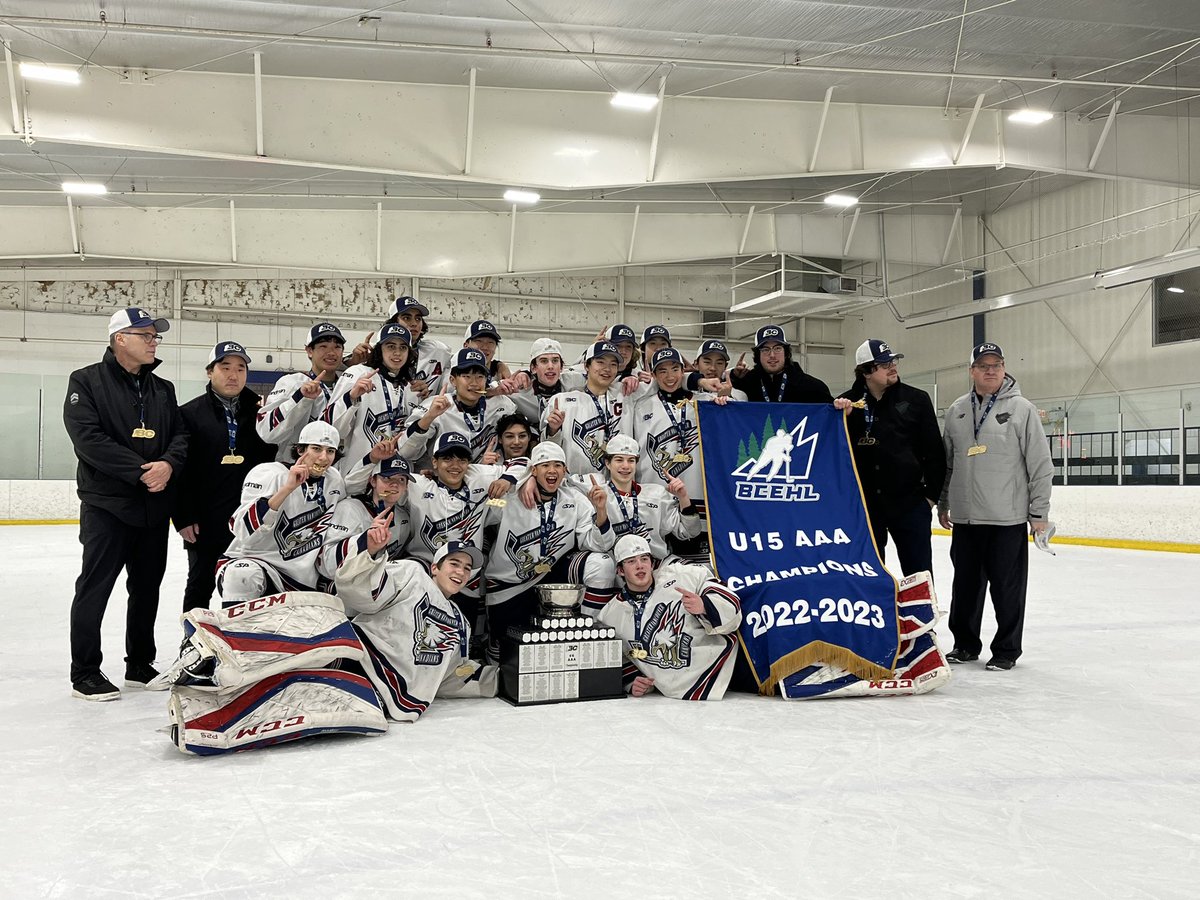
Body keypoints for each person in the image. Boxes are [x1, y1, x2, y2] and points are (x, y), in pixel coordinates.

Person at [63, 307, 187, 701]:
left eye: (155, 336)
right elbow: (88, 439)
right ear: (120, 339)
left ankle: (139, 663)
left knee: (147, 587)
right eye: (146, 335)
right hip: (107, 506)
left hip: (153, 508)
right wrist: (140, 471)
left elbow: (180, 436)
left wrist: (168, 464)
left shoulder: (162, 389)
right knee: (94, 587)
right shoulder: (85, 381)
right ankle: (84, 672)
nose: (154, 342)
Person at [938, 342, 1053, 671]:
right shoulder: (957, 410)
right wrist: (944, 503)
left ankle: (1006, 650)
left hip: (1007, 518)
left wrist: (1039, 515)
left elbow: (1040, 466)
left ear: (1004, 368)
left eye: (997, 364)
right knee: (965, 587)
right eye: (984, 365)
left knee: (1007, 589)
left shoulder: (1022, 410)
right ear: (972, 370)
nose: (991, 370)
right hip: (966, 518)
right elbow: (949, 464)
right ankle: (965, 645)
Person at [474, 442, 616, 661]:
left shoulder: (574, 499)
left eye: (558, 465)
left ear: (564, 470)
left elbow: (599, 545)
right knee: (503, 654)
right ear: (534, 470)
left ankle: (588, 635)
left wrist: (601, 511)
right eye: (545, 465)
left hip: (552, 574)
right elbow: (484, 505)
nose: (552, 471)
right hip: (509, 584)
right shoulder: (508, 500)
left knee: (602, 562)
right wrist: (518, 481)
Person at [332, 537, 498, 721]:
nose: (460, 571)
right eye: (454, 563)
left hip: (384, 693)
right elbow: (365, 592)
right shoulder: (412, 574)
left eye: (467, 568)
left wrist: (502, 679)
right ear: (435, 568)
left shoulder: (461, 623)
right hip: (358, 659)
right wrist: (370, 553)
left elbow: (449, 676)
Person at [174, 340, 276, 613]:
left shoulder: (260, 414)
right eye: (225, 367)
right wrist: (183, 517)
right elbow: (180, 470)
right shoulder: (188, 413)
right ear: (210, 371)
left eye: (241, 368)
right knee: (199, 584)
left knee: (250, 584)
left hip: (251, 520)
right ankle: (194, 645)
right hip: (205, 520)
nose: (234, 375)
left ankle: (245, 645)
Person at [833, 339, 946, 577]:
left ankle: (923, 615)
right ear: (865, 371)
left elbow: (935, 452)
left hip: (910, 504)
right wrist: (842, 418)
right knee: (869, 573)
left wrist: (929, 499)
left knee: (919, 575)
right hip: (865, 506)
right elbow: (835, 455)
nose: (892, 367)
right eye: (883, 364)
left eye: (892, 361)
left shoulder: (917, 400)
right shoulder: (846, 404)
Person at [594, 535, 742, 701]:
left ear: (652, 564)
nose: (640, 566)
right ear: (620, 570)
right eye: (631, 561)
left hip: (725, 669)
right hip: (674, 696)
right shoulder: (609, 616)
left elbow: (732, 604)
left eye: (644, 559)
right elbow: (619, 658)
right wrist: (631, 680)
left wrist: (704, 606)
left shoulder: (682, 575)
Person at [218, 421, 348, 604]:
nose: (323, 458)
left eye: (330, 451)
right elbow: (241, 530)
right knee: (243, 574)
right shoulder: (268, 473)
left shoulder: (334, 480)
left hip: (301, 578)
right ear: (301, 450)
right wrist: (287, 489)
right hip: (258, 562)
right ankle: (234, 631)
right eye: (316, 449)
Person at [327, 322, 419, 476]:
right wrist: (351, 397)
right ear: (379, 350)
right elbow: (332, 429)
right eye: (390, 346)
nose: (397, 353)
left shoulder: (411, 388)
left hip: (394, 478)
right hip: (355, 474)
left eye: (402, 347)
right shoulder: (357, 374)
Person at [401, 348, 518, 464]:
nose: (474, 383)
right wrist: (429, 417)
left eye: (480, 376)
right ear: (453, 380)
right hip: (439, 479)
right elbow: (406, 452)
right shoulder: (435, 405)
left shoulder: (502, 404)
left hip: (481, 477)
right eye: (466, 376)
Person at [256, 322, 346, 462]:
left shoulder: (347, 384)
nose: (331, 353)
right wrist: (300, 398)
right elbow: (266, 432)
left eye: (337, 347)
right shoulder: (292, 383)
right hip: (296, 471)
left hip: (335, 473)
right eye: (323, 346)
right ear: (309, 351)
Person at [542, 340, 625, 476]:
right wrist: (553, 430)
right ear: (586, 365)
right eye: (601, 362)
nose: (607, 369)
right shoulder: (562, 401)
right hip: (571, 487)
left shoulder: (627, 398)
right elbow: (545, 448)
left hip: (612, 488)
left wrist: (636, 377)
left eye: (613, 364)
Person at [729, 324, 833, 403]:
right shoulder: (747, 384)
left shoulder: (812, 387)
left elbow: (832, 416)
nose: (772, 355)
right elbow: (721, 392)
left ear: (786, 353)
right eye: (765, 349)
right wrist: (735, 377)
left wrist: (842, 406)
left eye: (777, 348)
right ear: (758, 355)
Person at [507, 338, 586, 424]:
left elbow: (594, 372)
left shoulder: (573, 381)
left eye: (555, 360)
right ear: (533, 368)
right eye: (544, 361)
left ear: (561, 367)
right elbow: (492, 390)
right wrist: (499, 366)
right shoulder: (520, 390)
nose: (550, 366)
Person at [388, 296, 452, 398]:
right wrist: (352, 361)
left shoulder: (439, 351)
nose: (414, 323)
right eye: (406, 318)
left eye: (418, 318)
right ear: (393, 322)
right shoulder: (374, 352)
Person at [461, 319, 513, 388]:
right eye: (479, 341)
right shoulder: (454, 372)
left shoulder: (505, 376)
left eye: (490, 342)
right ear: (466, 345)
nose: (485, 347)